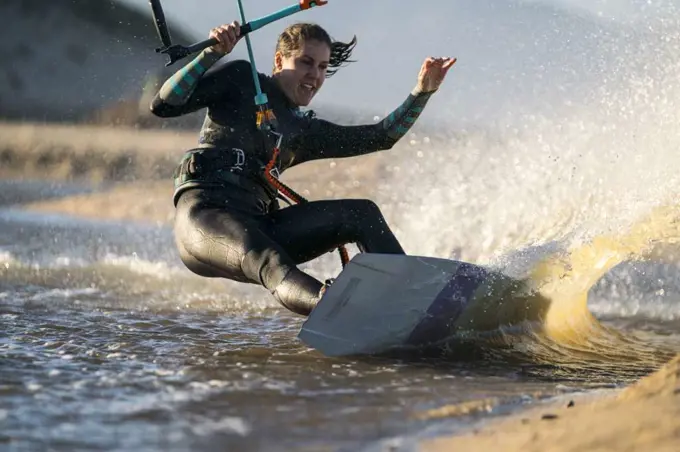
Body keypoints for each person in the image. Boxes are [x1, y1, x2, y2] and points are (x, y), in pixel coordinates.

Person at [150, 21, 456, 316]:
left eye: (323, 67)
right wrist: (210, 55)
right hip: (204, 219)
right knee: (270, 261)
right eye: (306, 63)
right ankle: (335, 306)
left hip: (260, 224)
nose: (315, 75)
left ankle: (410, 299)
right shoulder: (241, 79)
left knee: (362, 213)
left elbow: (381, 137)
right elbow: (164, 105)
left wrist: (422, 92)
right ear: (280, 59)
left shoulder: (303, 130)